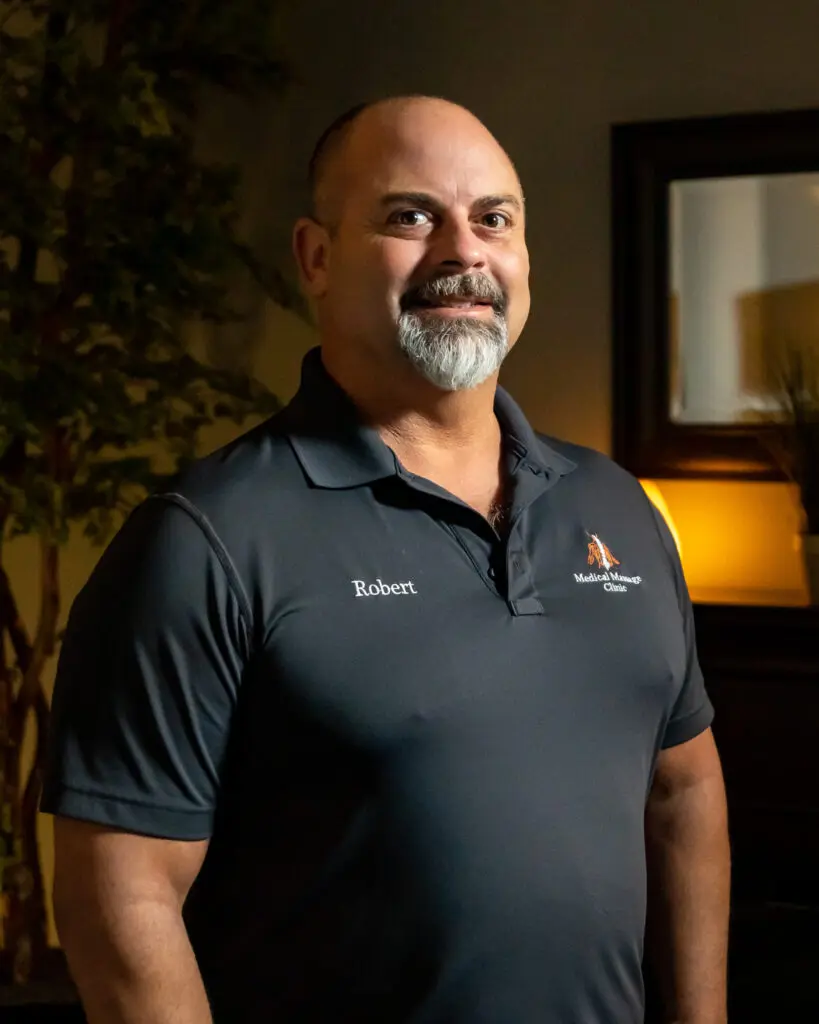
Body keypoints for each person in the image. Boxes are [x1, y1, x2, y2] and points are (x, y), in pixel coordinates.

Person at [41, 96, 730, 1024]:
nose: (463, 252)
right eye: (411, 216)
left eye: (494, 219)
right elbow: (118, 890)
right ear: (315, 258)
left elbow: (682, 788)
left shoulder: (616, 506)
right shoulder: (204, 539)